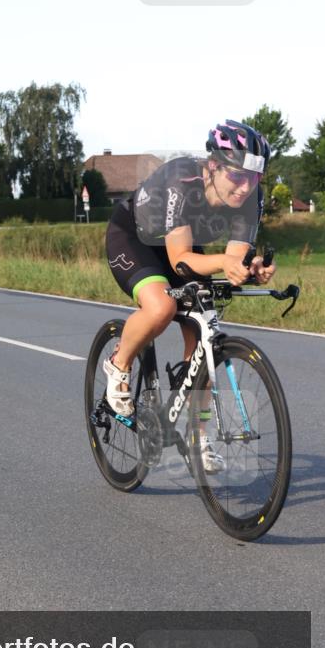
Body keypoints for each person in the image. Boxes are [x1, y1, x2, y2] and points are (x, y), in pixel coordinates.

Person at [104, 120, 275, 473]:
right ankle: (118, 364)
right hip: (134, 239)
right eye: (237, 177)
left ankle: (198, 437)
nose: (245, 188)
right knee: (162, 306)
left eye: (254, 178)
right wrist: (225, 262)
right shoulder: (180, 180)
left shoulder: (251, 196)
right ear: (212, 166)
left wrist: (247, 267)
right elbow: (180, 260)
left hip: (181, 243)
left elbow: (234, 256)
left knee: (203, 338)